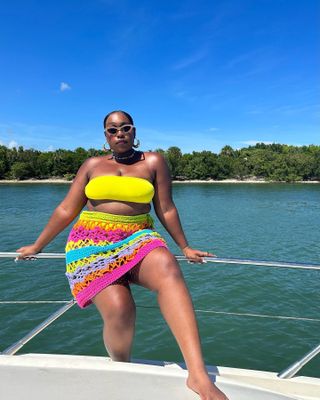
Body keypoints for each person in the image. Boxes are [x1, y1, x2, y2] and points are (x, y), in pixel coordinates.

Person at [17, 110, 228, 400]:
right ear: (105, 135)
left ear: (133, 131)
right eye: (112, 130)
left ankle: (198, 375)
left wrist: (184, 247)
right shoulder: (92, 164)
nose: (120, 133)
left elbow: (165, 208)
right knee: (120, 309)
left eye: (125, 128)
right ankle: (121, 366)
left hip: (138, 236)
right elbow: (67, 208)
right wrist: (37, 245)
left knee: (167, 267)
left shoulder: (153, 161)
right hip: (91, 243)